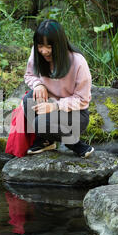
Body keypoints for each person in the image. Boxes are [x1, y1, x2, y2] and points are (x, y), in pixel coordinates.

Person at [23, 19, 94, 158]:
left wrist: (55, 106)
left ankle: (74, 144)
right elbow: (29, 75)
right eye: (40, 46)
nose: (44, 51)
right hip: (50, 105)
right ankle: (45, 141)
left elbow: (82, 100)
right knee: (29, 99)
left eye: (49, 46)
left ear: (60, 45)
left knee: (40, 123)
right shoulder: (36, 53)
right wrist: (39, 84)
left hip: (75, 114)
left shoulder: (77, 62)